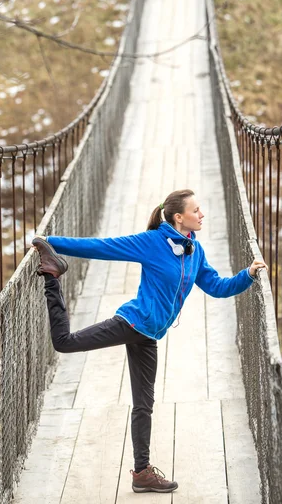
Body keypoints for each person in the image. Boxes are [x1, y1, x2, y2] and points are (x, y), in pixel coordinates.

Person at [32, 188, 267, 494]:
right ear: (179, 217)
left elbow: (217, 287)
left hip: (149, 335)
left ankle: (142, 473)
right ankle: (52, 275)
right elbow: (103, 247)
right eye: (196, 210)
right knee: (64, 342)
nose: (202, 214)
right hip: (132, 323)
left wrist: (247, 274)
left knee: (144, 405)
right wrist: (51, 243)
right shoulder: (152, 242)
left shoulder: (195, 251)